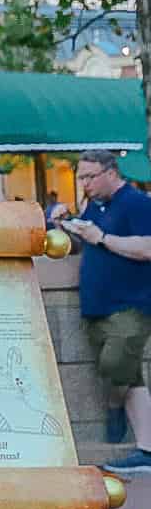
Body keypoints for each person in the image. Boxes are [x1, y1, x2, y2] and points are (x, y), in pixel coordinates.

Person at [62, 149, 151, 467]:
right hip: (96, 306)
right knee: (126, 372)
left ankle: (116, 412)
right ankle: (145, 449)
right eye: (81, 177)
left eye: (89, 176)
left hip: (131, 304)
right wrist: (65, 226)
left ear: (111, 173)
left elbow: (146, 247)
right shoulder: (93, 206)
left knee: (116, 363)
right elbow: (84, 245)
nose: (83, 183)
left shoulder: (138, 203)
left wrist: (101, 237)